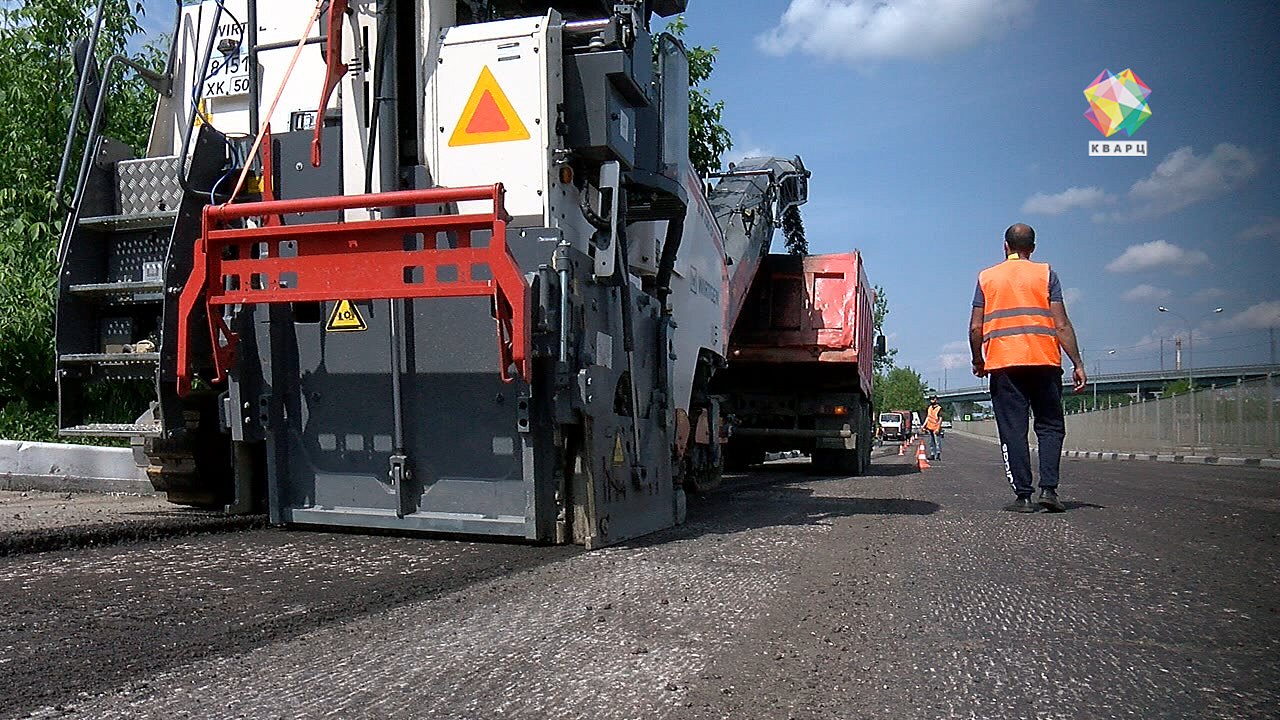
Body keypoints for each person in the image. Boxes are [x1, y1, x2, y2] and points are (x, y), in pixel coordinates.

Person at [969, 223, 1086, 513]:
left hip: (1004, 365)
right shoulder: (1046, 274)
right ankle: (1049, 490)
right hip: (1044, 362)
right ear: (1032, 248)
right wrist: (1077, 363)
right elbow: (1061, 323)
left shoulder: (987, 278)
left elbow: (975, 327)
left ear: (1005, 246)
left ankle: (1023, 496)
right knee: (1049, 426)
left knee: (1013, 430)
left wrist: (978, 359)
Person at [923, 395, 943, 460]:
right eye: (931, 399)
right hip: (930, 427)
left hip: (936, 428)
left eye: (933, 399)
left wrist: (938, 428)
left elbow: (940, 419)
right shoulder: (929, 408)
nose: (931, 400)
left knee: (937, 442)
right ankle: (932, 454)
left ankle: (938, 455)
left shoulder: (939, 408)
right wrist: (923, 426)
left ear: (936, 400)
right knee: (931, 442)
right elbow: (928, 417)